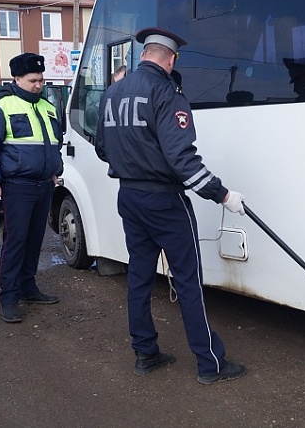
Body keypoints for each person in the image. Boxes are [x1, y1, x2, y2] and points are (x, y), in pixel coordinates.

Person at [95, 27, 247, 384]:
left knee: (139, 275)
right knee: (189, 280)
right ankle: (210, 364)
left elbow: (102, 147)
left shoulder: (113, 93)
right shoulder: (166, 92)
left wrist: (132, 163)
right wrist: (222, 194)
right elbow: (182, 158)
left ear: (144, 54)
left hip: (129, 197)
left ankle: (145, 353)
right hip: (165, 200)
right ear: (171, 58)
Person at [0, 53, 64, 323]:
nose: (38, 85)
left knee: (35, 240)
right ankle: (10, 297)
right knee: (15, 242)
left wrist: (54, 171)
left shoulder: (48, 107)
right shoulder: (2, 106)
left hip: (43, 185)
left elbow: (54, 144)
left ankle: (28, 287)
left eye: (41, 80)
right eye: (32, 80)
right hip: (17, 186)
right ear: (16, 79)